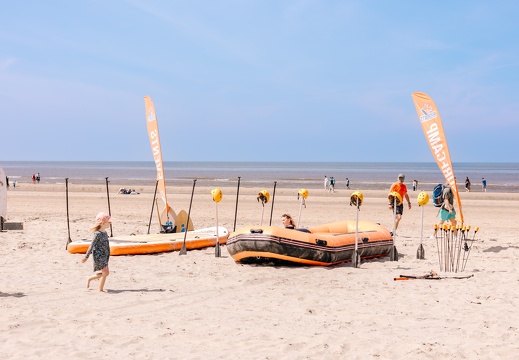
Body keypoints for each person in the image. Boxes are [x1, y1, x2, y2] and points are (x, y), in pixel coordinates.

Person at [82, 212, 112, 292]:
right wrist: (86, 257)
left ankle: (89, 278)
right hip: (99, 256)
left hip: (105, 255)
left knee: (106, 273)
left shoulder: (105, 233)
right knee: (105, 272)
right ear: (103, 222)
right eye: (109, 222)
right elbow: (91, 245)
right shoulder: (97, 234)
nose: (110, 223)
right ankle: (100, 289)